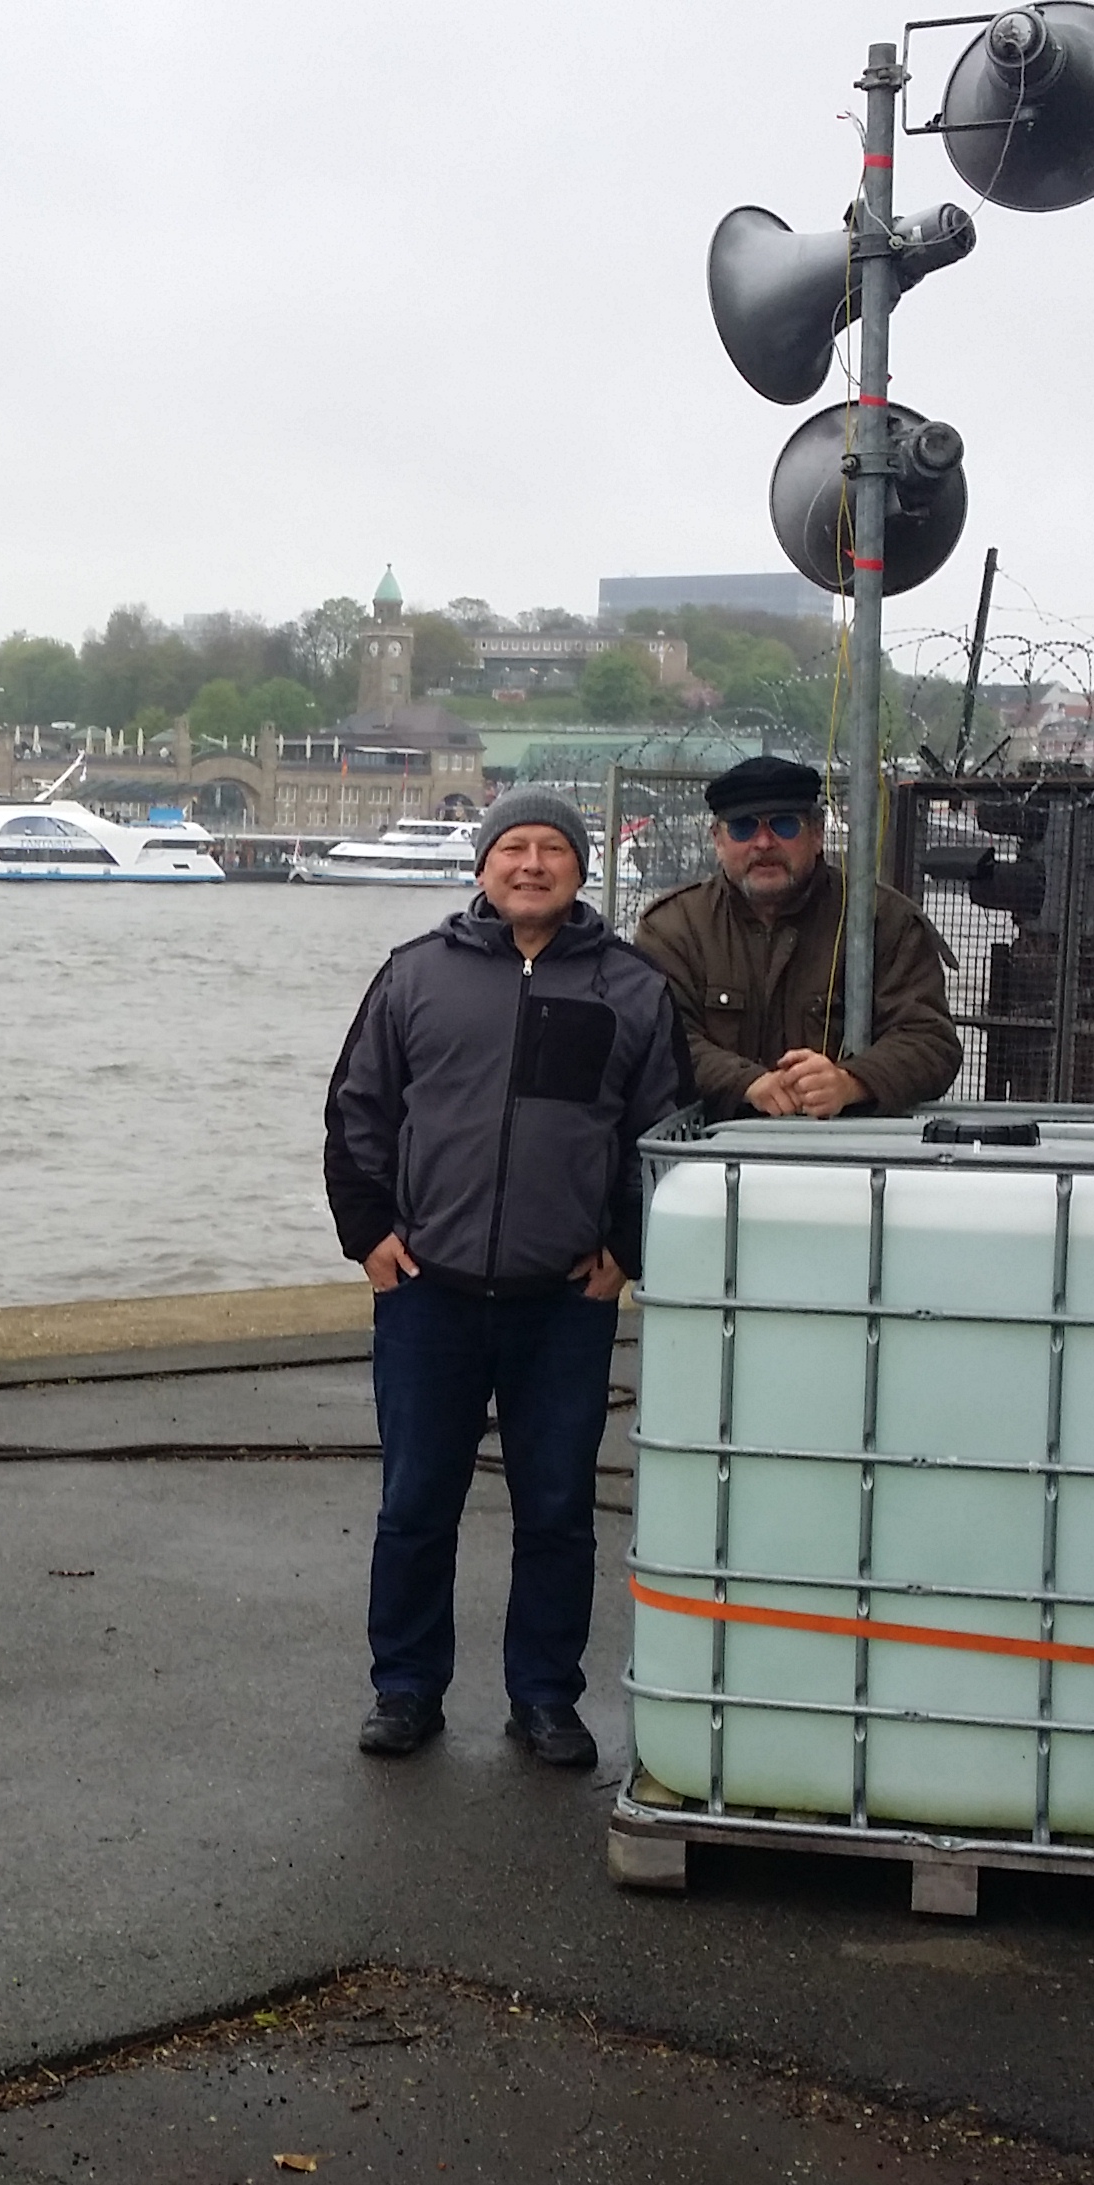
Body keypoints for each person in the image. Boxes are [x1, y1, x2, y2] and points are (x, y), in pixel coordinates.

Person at [322, 789, 684, 1769]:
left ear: (579, 868)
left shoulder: (631, 989)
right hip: (428, 1293)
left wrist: (629, 1249)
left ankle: (544, 1696)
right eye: (513, 848)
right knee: (415, 1501)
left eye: (552, 850)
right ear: (483, 867)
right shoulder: (414, 977)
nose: (532, 864)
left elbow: (662, 1132)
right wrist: (370, 1239)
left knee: (559, 1507)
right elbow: (356, 1114)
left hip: (563, 1303)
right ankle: (405, 1687)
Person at [633, 755, 960, 1120]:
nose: (763, 843)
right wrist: (748, 1084)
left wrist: (850, 1082)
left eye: (784, 825)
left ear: (817, 833)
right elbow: (657, 1040)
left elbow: (930, 1041)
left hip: (847, 1159)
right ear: (718, 841)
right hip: (710, 1154)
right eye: (743, 828)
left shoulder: (881, 920)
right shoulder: (674, 928)